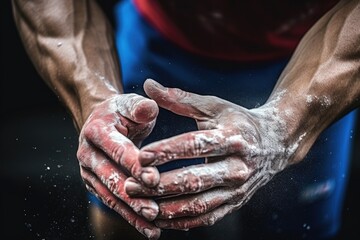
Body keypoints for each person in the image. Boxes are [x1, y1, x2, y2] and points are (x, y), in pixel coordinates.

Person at [12, 0, 359, 239]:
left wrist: (283, 126)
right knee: (130, 221)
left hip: (323, 60)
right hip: (160, 50)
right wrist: (95, 97)